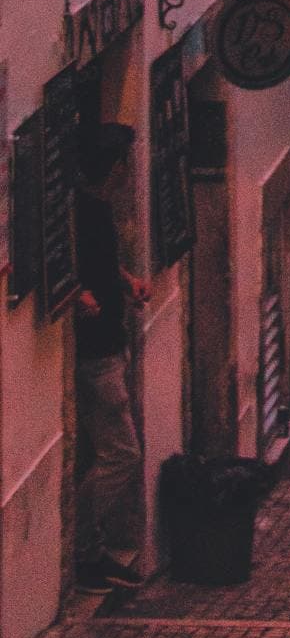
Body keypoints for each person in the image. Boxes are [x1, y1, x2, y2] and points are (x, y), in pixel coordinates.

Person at [74, 126, 148, 590]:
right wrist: (79, 295)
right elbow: (71, 270)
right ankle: (84, 549)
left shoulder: (95, 210)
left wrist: (125, 280)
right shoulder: (83, 214)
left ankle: (90, 548)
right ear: (115, 167)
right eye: (125, 163)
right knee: (122, 454)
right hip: (97, 354)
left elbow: (98, 263)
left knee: (110, 453)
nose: (129, 172)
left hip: (109, 347)